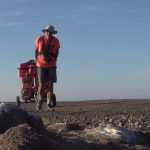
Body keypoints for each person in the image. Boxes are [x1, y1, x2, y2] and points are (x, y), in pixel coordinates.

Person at [34, 25, 60, 111]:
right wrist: (36, 60)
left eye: (50, 32)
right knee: (41, 84)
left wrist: (54, 59)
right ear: (45, 31)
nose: (49, 33)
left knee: (50, 84)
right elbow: (36, 50)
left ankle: (49, 104)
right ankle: (39, 102)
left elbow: (57, 52)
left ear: (52, 33)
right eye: (47, 31)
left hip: (51, 65)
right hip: (41, 65)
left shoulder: (56, 41)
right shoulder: (39, 39)